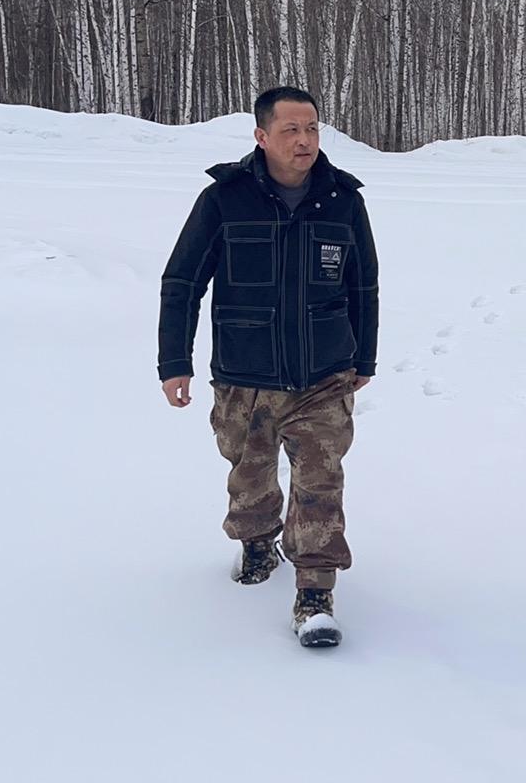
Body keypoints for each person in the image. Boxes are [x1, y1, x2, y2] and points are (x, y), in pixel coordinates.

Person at [158, 86, 379, 648]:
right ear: (261, 136)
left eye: (312, 128)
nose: (304, 140)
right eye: (291, 130)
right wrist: (174, 361)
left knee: (320, 480)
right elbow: (182, 281)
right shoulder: (224, 200)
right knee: (249, 471)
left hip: (323, 373)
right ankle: (257, 542)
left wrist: (364, 357)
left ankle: (315, 592)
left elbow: (364, 285)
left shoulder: (343, 199)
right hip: (245, 374)